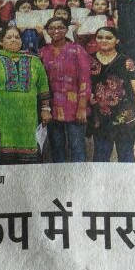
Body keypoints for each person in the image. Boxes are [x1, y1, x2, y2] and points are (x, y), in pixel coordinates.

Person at [0, 26, 50, 164]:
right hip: (1, 115)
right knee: (4, 156)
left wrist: (45, 109)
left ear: (22, 41)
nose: (13, 40)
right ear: (1, 41)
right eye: (9, 37)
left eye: (17, 37)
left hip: (28, 117)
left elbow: (43, 86)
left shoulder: (34, 60)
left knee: (28, 159)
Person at [88, 26, 135, 162]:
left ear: (117, 40)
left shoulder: (127, 62)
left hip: (125, 117)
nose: (104, 40)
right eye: (100, 37)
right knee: (100, 157)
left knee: (126, 156)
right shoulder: (88, 60)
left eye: (109, 38)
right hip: (100, 119)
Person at [40, 17, 91, 162]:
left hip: (74, 107)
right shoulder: (43, 52)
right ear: (47, 31)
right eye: (52, 28)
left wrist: (82, 107)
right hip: (52, 107)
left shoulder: (77, 50)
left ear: (67, 29)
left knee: (77, 147)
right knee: (56, 148)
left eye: (60, 27)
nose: (56, 31)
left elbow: (85, 80)